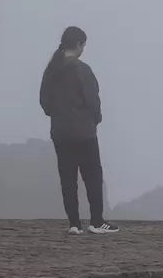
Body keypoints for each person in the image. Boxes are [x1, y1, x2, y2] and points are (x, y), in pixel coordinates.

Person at [39, 26, 119, 234]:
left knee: (68, 179)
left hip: (60, 132)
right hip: (84, 132)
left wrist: (58, 116)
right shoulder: (82, 70)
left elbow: (44, 102)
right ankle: (96, 221)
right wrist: (95, 119)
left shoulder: (52, 70)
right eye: (84, 45)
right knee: (92, 176)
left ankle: (74, 224)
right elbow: (93, 101)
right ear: (79, 44)